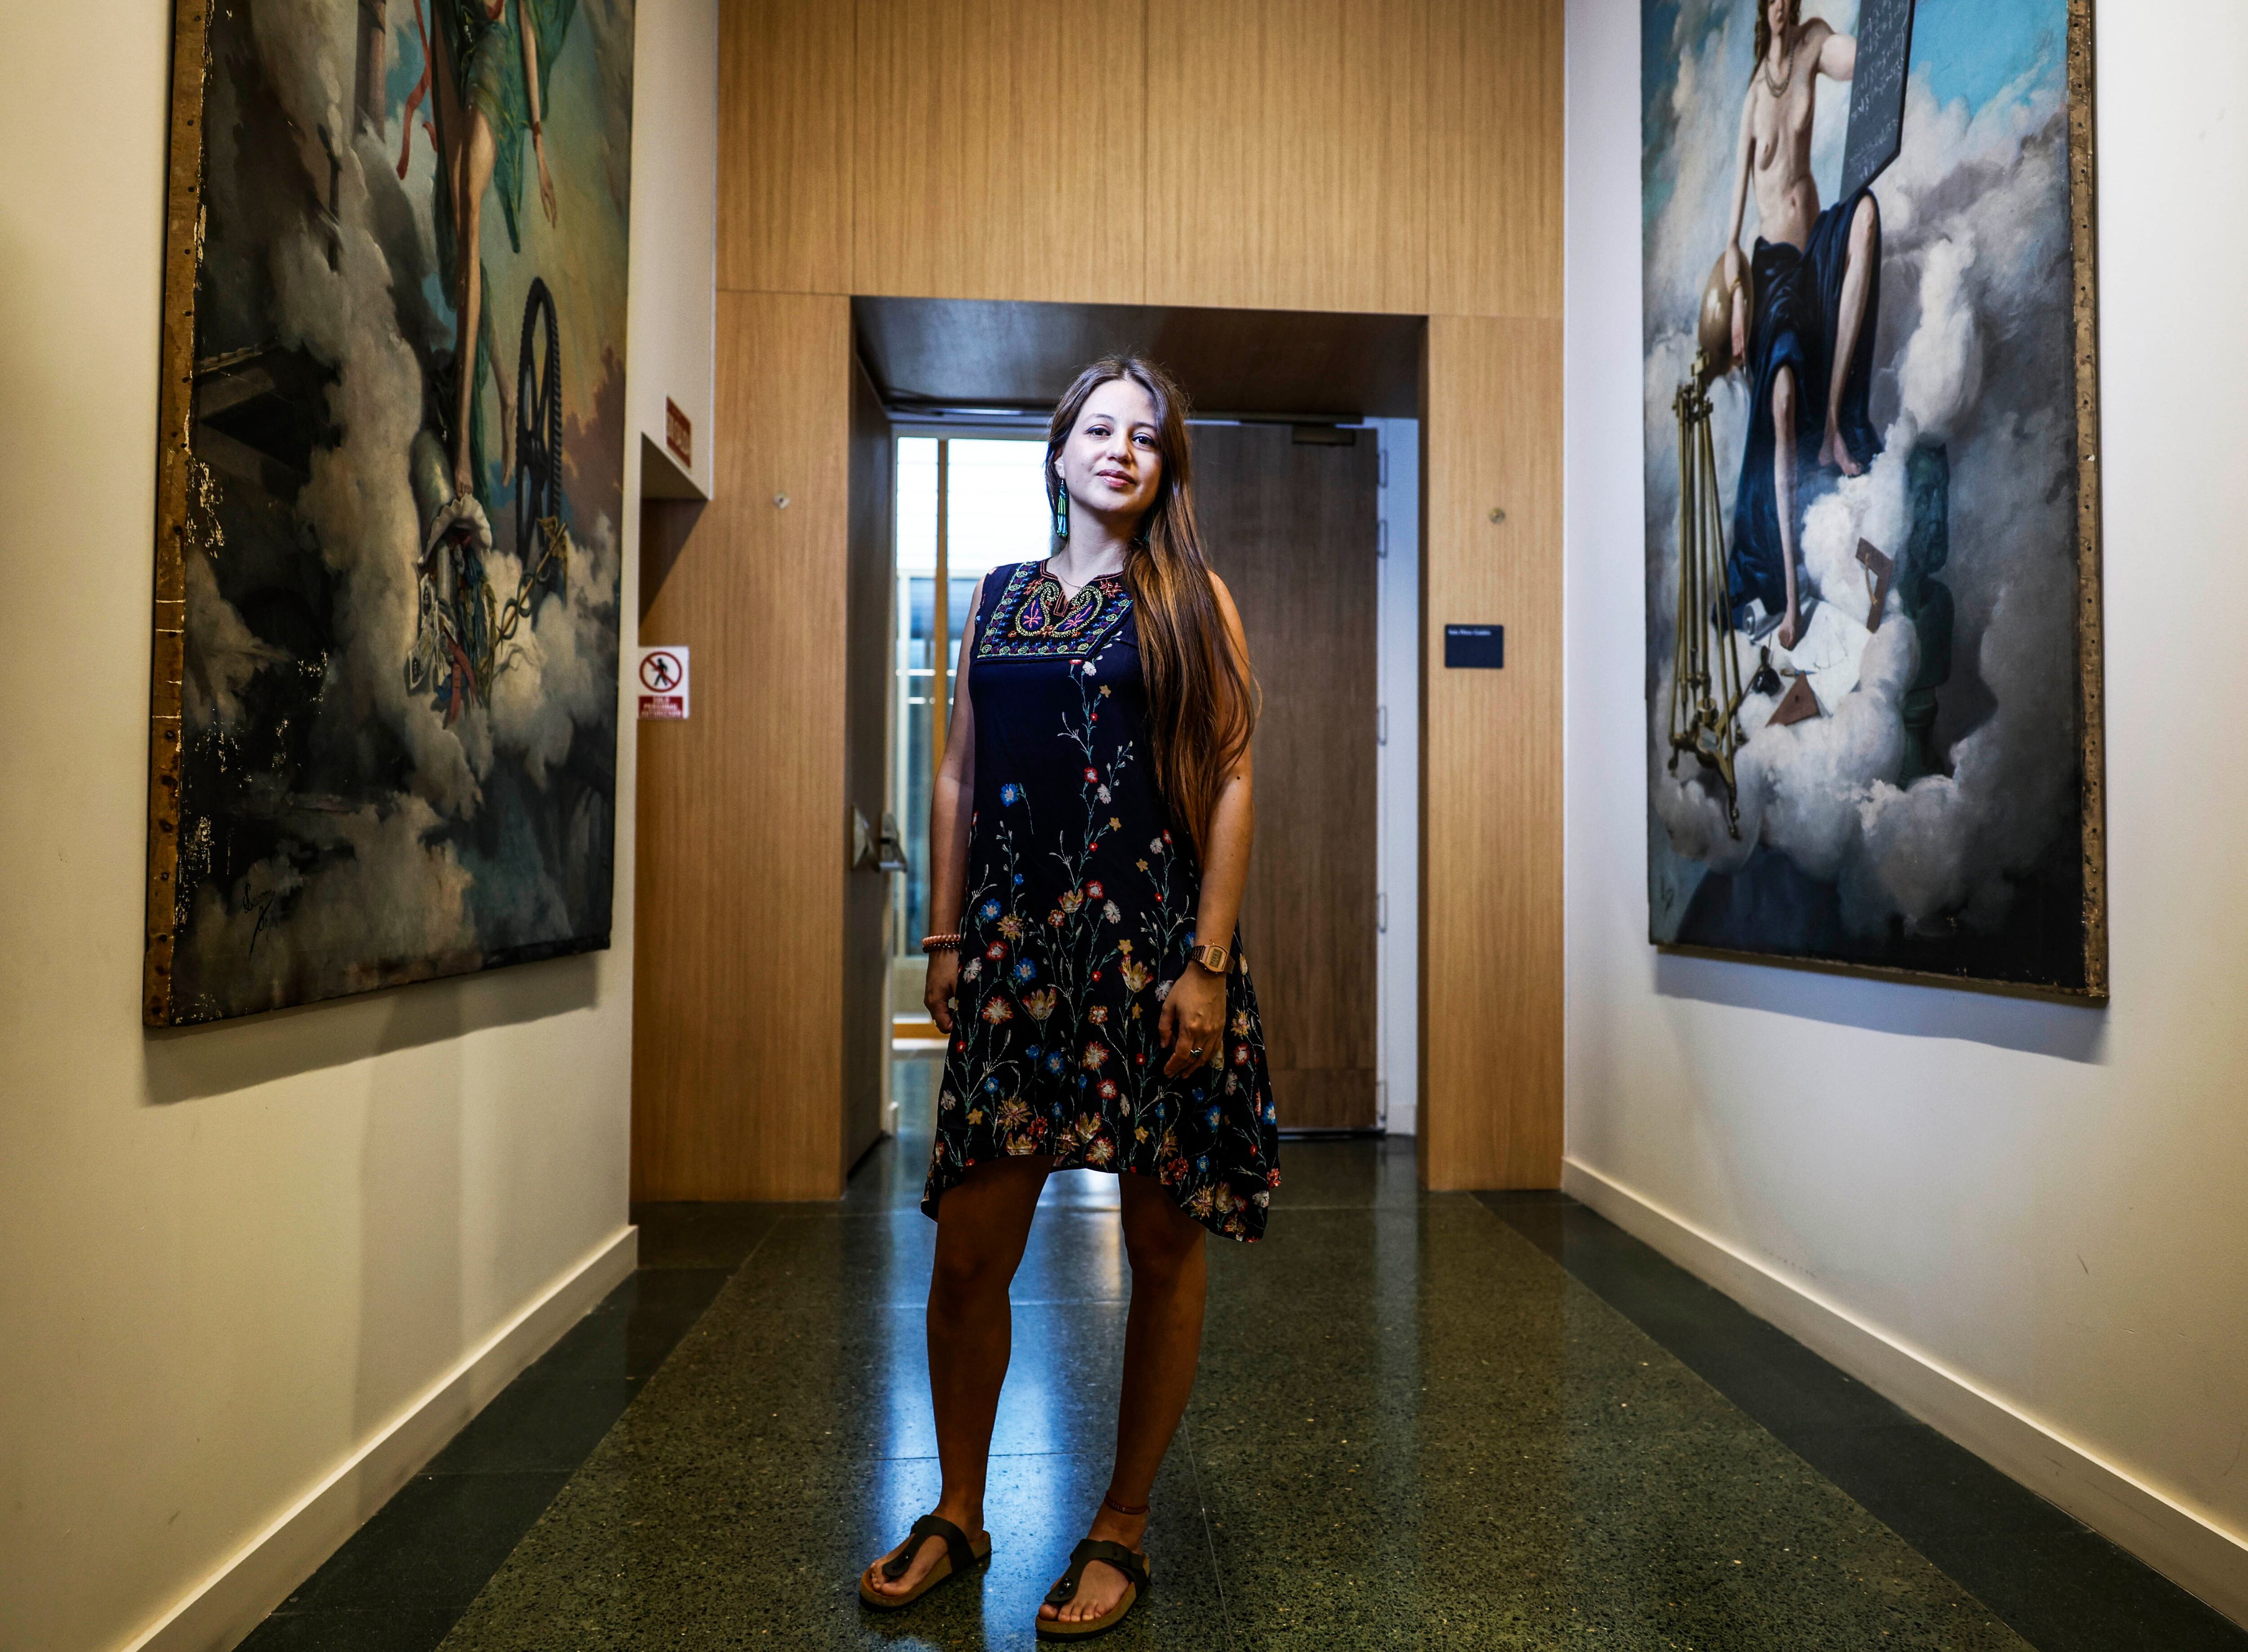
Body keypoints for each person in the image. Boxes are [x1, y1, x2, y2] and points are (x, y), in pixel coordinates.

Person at [857, 357, 1280, 1639]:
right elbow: (955, 775)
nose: (1122, 449)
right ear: (1059, 452)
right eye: (1100, 428)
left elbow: (1238, 777)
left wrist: (1207, 966)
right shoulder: (997, 602)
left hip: (1157, 967)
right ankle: (962, 1509)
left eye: (1147, 436)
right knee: (972, 1255)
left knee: (1161, 1244)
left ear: (1165, 469)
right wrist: (941, 931)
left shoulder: (1194, 602)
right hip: (1016, 963)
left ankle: (1124, 1523)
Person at [1720, 0, 1882, 648]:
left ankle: (1836, 425)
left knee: (1866, 216)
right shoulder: (1753, 97)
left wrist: (1882, 38)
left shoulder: (1814, 44)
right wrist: (1738, 298)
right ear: (1764, 10)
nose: (1783, 4)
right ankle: (1790, 599)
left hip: (1814, 246)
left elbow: (1859, 61)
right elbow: (1731, 238)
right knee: (1782, 398)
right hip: (1774, 273)